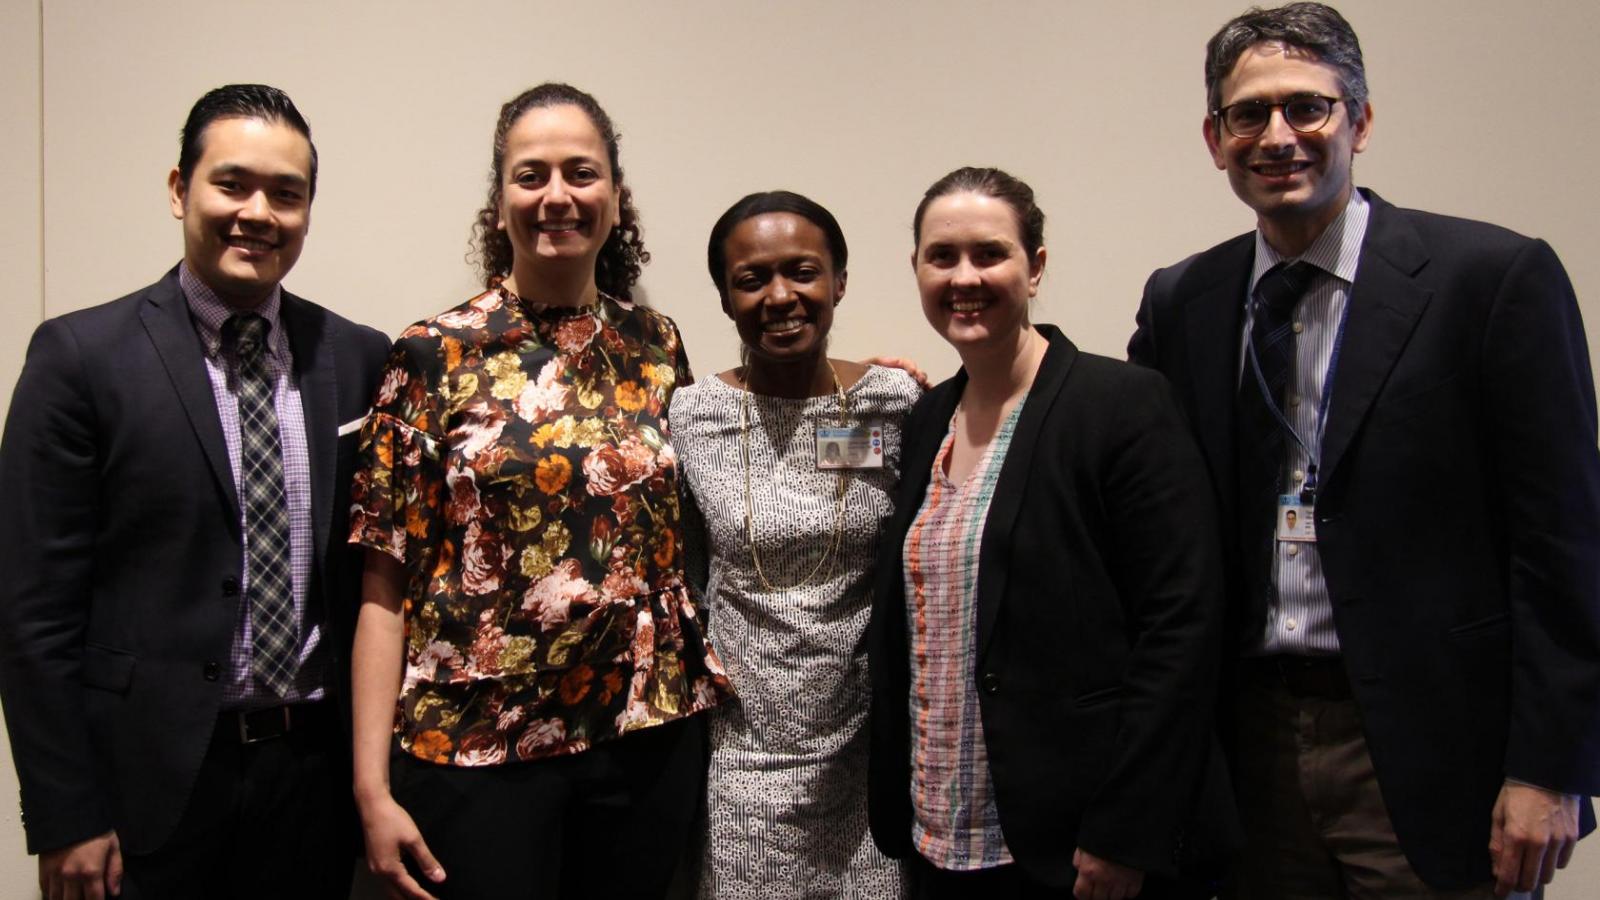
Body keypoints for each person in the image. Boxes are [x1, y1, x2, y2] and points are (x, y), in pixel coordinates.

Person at [1126, 3, 1600, 896]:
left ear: (1362, 121)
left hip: (1433, 748)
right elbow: (1133, 479)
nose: (1278, 136)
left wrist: (1551, 766)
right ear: (1214, 137)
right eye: (1248, 114)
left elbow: (1566, 539)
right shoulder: (1185, 298)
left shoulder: (1491, 281)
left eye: (1308, 107)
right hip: (1249, 744)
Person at [0, 84, 390, 898]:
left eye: (287, 194)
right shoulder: (81, 358)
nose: (259, 212)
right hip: (149, 784)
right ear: (180, 189)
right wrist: (65, 810)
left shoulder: (357, 356)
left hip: (312, 778)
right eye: (232, 183)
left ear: (309, 211)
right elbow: (33, 610)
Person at [348, 82, 732, 900]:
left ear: (617, 200)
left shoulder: (657, 345)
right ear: (499, 204)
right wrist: (371, 789)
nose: (557, 195)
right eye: (531, 176)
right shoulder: (428, 355)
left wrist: (857, 387)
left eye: (581, 173)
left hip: (644, 736)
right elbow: (383, 586)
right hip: (477, 750)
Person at [869, 167, 1234, 899]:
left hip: (1076, 847)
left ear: (1035, 267)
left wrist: (1125, 831)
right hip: (939, 832)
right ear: (916, 269)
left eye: (989, 253)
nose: (964, 276)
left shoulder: (1122, 406)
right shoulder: (926, 419)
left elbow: (1182, 630)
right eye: (941, 257)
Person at [672, 191, 920, 898]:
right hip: (746, 751)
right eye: (752, 279)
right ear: (725, 298)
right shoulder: (694, 415)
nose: (781, 296)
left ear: (839, 280)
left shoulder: (892, 404)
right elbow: (683, 576)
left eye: (803, 272)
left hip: (868, 752)